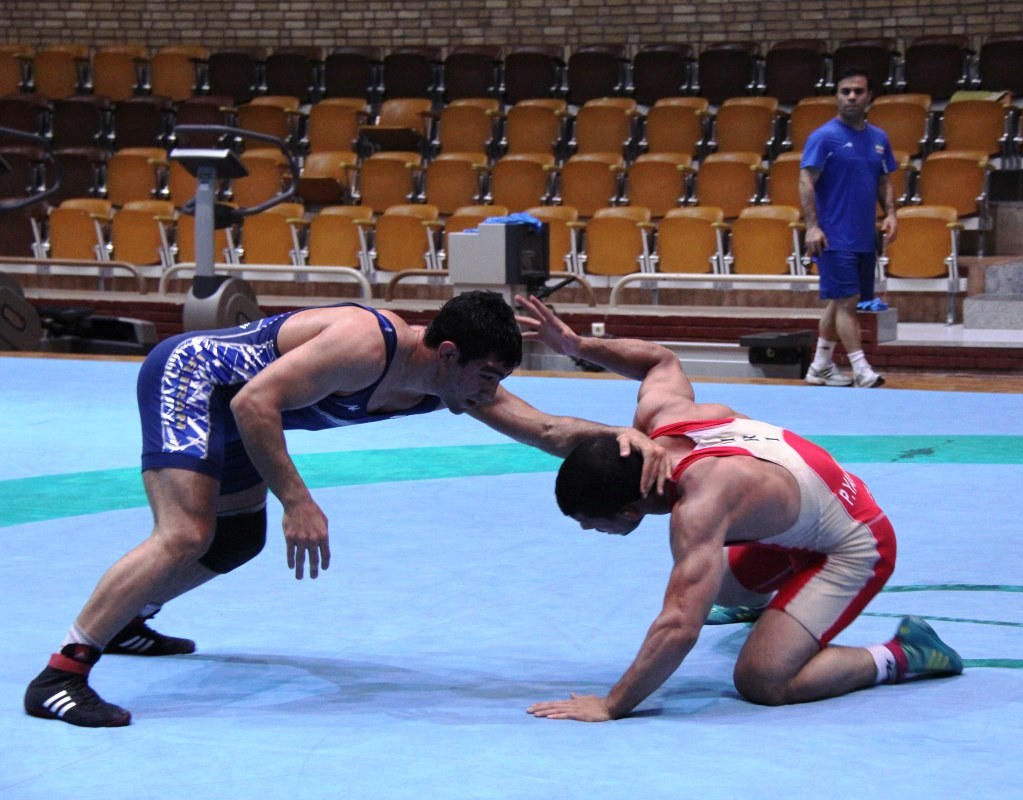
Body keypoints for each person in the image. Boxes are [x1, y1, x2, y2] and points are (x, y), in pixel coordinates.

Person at [25, 292, 670, 728]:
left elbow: (548, 429)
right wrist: (298, 501)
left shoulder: (449, 384)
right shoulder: (367, 344)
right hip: (196, 384)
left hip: (248, 413)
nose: (490, 392)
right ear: (449, 354)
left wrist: (622, 433)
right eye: (486, 376)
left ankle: (129, 618)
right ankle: (61, 674)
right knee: (187, 533)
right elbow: (253, 402)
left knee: (236, 540)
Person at [517, 295, 961, 723]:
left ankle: (905, 654)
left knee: (762, 679)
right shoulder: (663, 416)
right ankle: (769, 606)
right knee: (718, 586)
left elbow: (679, 627)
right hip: (811, 508)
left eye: (591, 524)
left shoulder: (700, 506)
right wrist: (577, 346)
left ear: (630, 512)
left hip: (858, 543)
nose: (588, 531)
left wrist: (613, 704)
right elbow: (659, 361)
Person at [799, 66, 897, 389]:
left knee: (840, 300)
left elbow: (883, 179)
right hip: (832, 236)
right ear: (837, 96)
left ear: (869, 97)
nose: (852, 97)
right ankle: (861, 369)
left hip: (864, 236)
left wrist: (891, 213)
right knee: (847, 301)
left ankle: (820, 366)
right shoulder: (824, 137)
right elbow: (806, 180)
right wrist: (812, 227)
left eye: (858, 91)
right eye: (845, 92)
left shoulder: (879, 138)